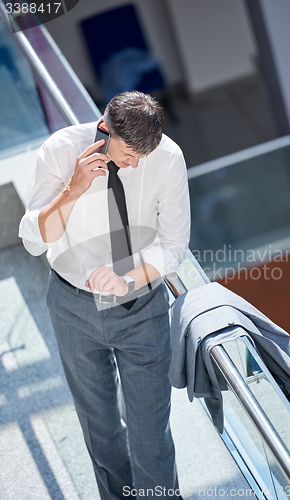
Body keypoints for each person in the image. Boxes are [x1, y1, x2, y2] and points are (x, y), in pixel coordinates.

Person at [19, 91, 190, 500]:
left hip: (141, 306)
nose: (133, 164)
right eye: (128, 152)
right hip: (72, 306)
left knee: (151, 433)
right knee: (100, 428)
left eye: (142, 156)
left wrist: (129, 280)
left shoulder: (166, 157)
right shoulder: (61, 150)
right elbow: (33, 242)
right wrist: (74, 188)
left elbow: (173, 245)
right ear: (105, 128)